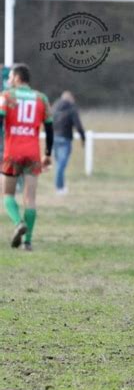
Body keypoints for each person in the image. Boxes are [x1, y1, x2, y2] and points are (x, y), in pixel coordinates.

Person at [0, 63, 53, 251]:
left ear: (17, 78)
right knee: (30, 198)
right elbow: (49, 127)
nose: (8, 80)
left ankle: (18, 223)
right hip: (32, 153)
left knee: (7, 194)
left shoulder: (7, 96)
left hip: (12, 152)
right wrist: (47, 153)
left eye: (10, 77)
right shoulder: (42, 98)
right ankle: (27, 242)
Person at [52, 91, 85, 195]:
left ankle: (61, 186)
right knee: (61, 165)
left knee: (59, 165)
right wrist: (83, 137)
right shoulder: (71, 109)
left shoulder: (54, 108)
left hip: (54, 138)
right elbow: (78, 125)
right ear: (71, 99)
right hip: (65, 138)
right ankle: (59, 188)